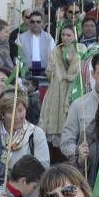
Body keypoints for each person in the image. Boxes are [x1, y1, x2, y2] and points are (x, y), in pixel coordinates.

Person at [40, 25, 83, 158]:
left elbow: (82, 70)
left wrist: (69, 74)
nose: (65, 37)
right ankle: (56, 155)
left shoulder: (81, 49)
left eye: (68, 35)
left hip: (72, 90)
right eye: (63, 34)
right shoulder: (55, 50)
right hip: (56, 91)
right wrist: (51, 71)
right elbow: (49, 74)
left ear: (75, 35)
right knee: (54, 121)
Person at [0, 93, 50, 171]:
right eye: (11, 112)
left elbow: (44, 167)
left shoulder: (36, 133)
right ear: (2, 114)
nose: (17, 117)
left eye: (20, 110)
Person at [17, 11, 56, 80]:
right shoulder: (20, 38)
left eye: (38, 22)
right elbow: (17, 57)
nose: (35, 24)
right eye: (33, 21)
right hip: (27, 74)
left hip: (44, 74)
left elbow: (54, 56)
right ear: (29, 22)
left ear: (42, 23)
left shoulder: (49, 38)